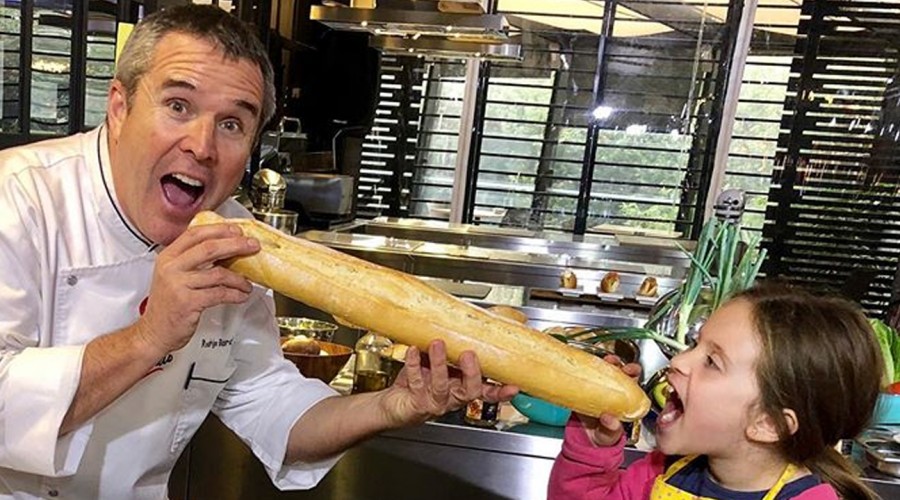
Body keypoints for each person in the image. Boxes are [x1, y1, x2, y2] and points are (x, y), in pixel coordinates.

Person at [0, 5, 516, 499]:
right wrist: (150, 336)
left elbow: (271, 404)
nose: (202, 146)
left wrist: (396, 405)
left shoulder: (233, 236)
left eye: (232, 124)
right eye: (178, 106)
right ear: (119, 107)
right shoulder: (18, 199)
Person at [548, 284, 882, 499]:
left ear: (769, 424)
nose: (679, 360)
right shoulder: (659, 474)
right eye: (695, 343)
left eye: (712, 361)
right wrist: (591, 448)